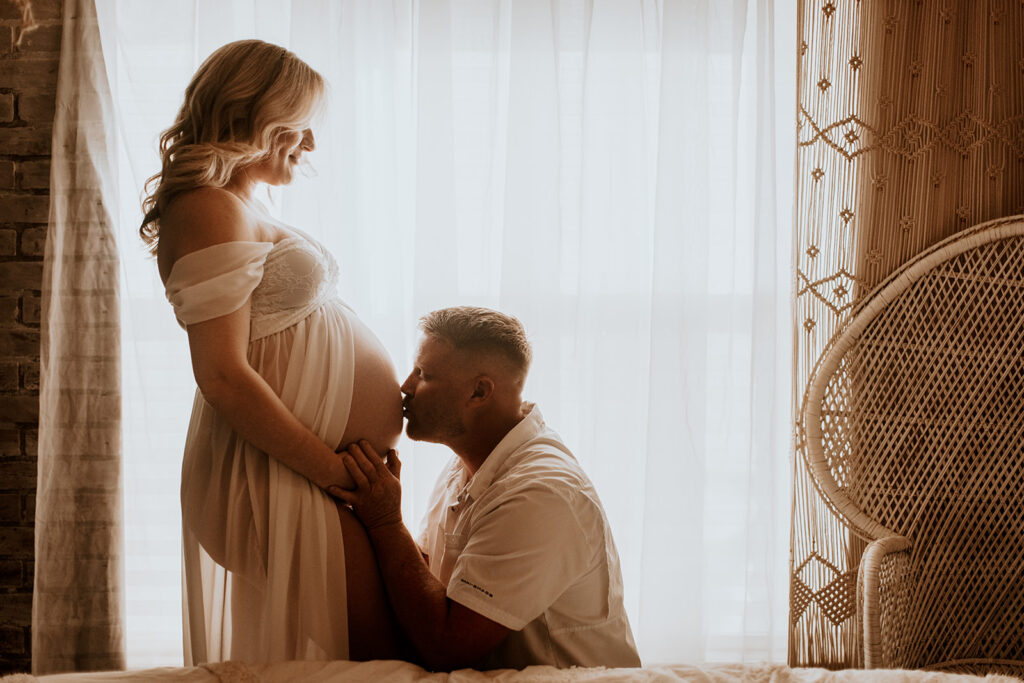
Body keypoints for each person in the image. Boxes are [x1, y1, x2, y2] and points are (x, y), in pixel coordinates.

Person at [140, 39, 405, 664]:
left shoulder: (235, 204)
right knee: (380, 663)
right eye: (300, 126)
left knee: (375, 658)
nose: (310, 145)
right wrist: (333, 470)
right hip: (279, 474)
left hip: (302, 473)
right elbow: (224, 376)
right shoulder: (207, 208)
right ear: (252, 115)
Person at [335, 306, 642, 671]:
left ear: (479, 392)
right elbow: (436, 580)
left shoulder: (541, 495)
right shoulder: (466, 464)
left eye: (423, 374)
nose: (405, 387)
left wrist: (386, 522)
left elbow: (448, 647)